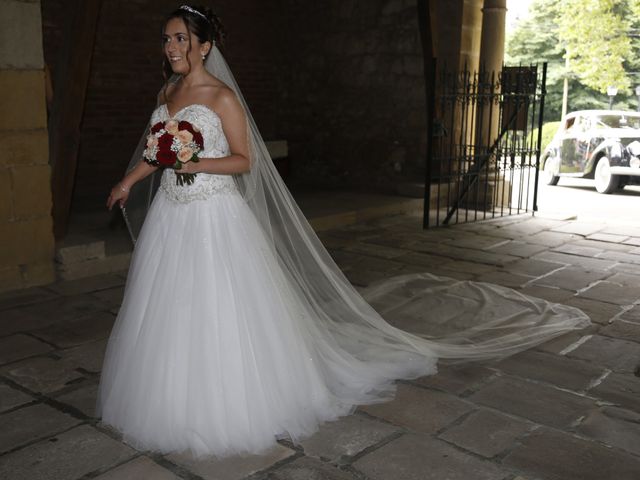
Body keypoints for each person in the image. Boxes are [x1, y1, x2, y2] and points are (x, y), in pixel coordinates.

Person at [97, 4, 590, 459]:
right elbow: (154, 151)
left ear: (204, 46)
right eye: (166, 40)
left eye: (181, 39)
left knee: (220, 308)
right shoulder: (166, 93)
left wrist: (195, 160)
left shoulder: (221, 97)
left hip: (212, 217)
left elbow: (244, 160)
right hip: (173, 213)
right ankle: (170, 395)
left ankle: (231, 398)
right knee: (169, 305)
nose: (172, 48)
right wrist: (128, 180)